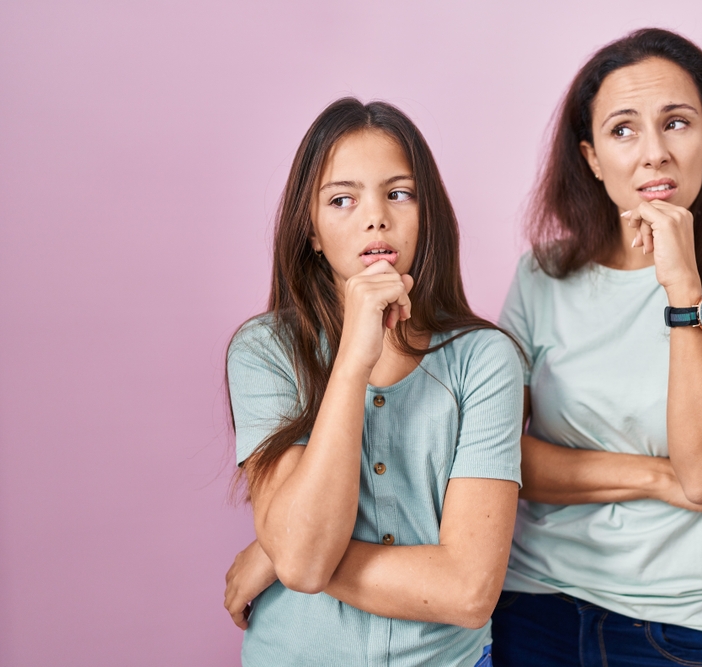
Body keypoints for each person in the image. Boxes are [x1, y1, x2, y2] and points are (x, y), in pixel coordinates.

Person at [490, 28, 702, 666]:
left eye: (677, 123)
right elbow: (502, 461)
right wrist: (659, 479)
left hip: (677, 625)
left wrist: (682, 288)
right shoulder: (543, 273)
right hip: (531, 605)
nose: (654, 154)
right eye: (622, 130)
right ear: (590, 156)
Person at [221, 97, 523, 667]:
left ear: (425, 213)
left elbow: (467, 591)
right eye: (342, 199)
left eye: (399, 193)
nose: (375, 217)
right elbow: (304, 563)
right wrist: (353, 361)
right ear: (311, 231)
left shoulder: (485, 359)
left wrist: (278, 552)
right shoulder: (265, 351)